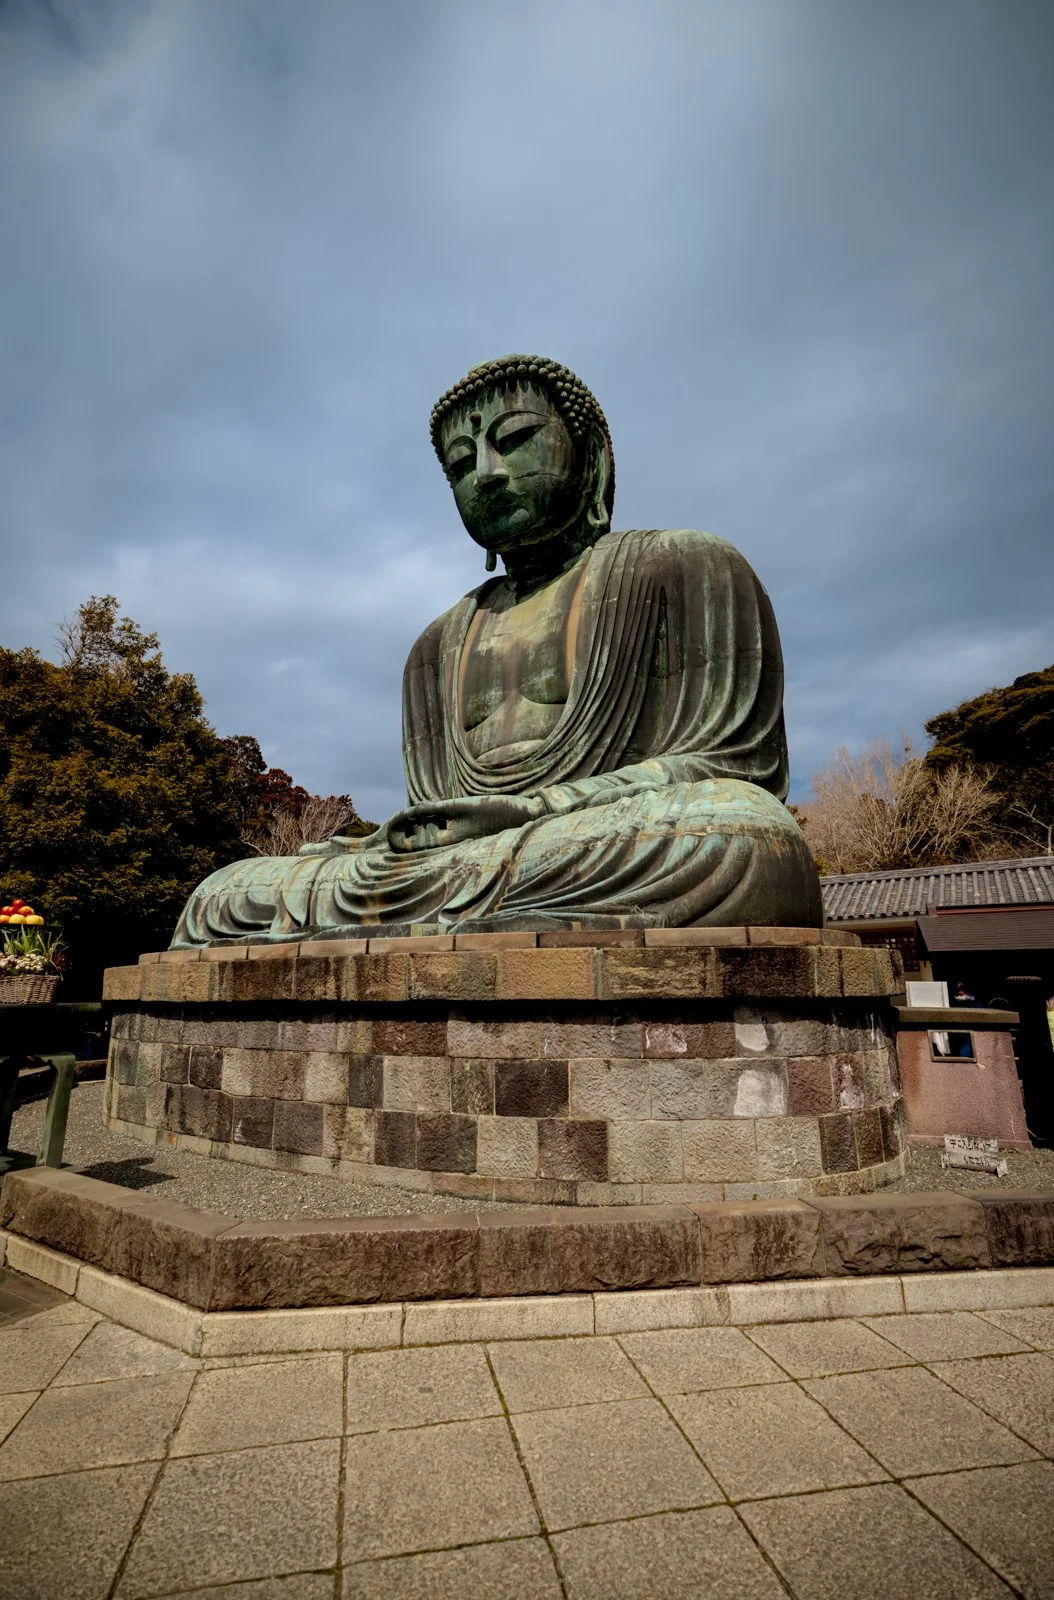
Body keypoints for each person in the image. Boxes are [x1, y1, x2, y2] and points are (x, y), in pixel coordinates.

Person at [173, 355, 823, 945]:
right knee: (224, 894)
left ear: (592, 457)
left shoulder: (685, 566)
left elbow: (734, 768)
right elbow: (432, 819)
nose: (485, 475)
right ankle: (445, 917)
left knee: (744, 836)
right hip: (470, 865)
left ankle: (450, 915)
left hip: (594, 835)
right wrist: (389, 842)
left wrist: (538, 809)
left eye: (514, 440)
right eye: (461, 465)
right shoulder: (435, 647)